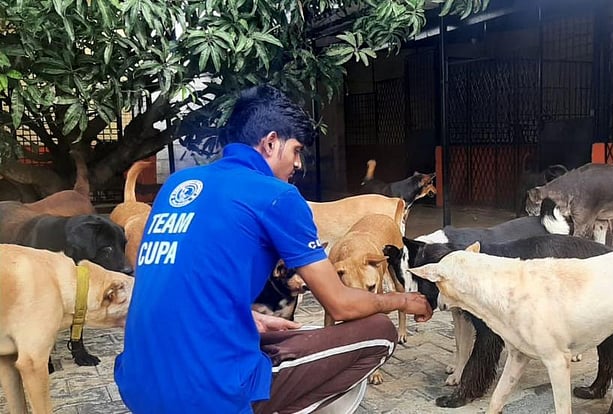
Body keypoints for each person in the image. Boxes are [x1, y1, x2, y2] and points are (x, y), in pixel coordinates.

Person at [114, 85, 433, 414]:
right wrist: (404, 299)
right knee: (379, 331)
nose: (297, 164)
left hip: (138, 384)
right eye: (296, 151)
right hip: (208, 393)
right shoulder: (277, 195)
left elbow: (180, 284)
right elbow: (340, 305)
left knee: (284, 333)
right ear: (269, 142)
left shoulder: (178, 186)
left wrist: (246, 317)